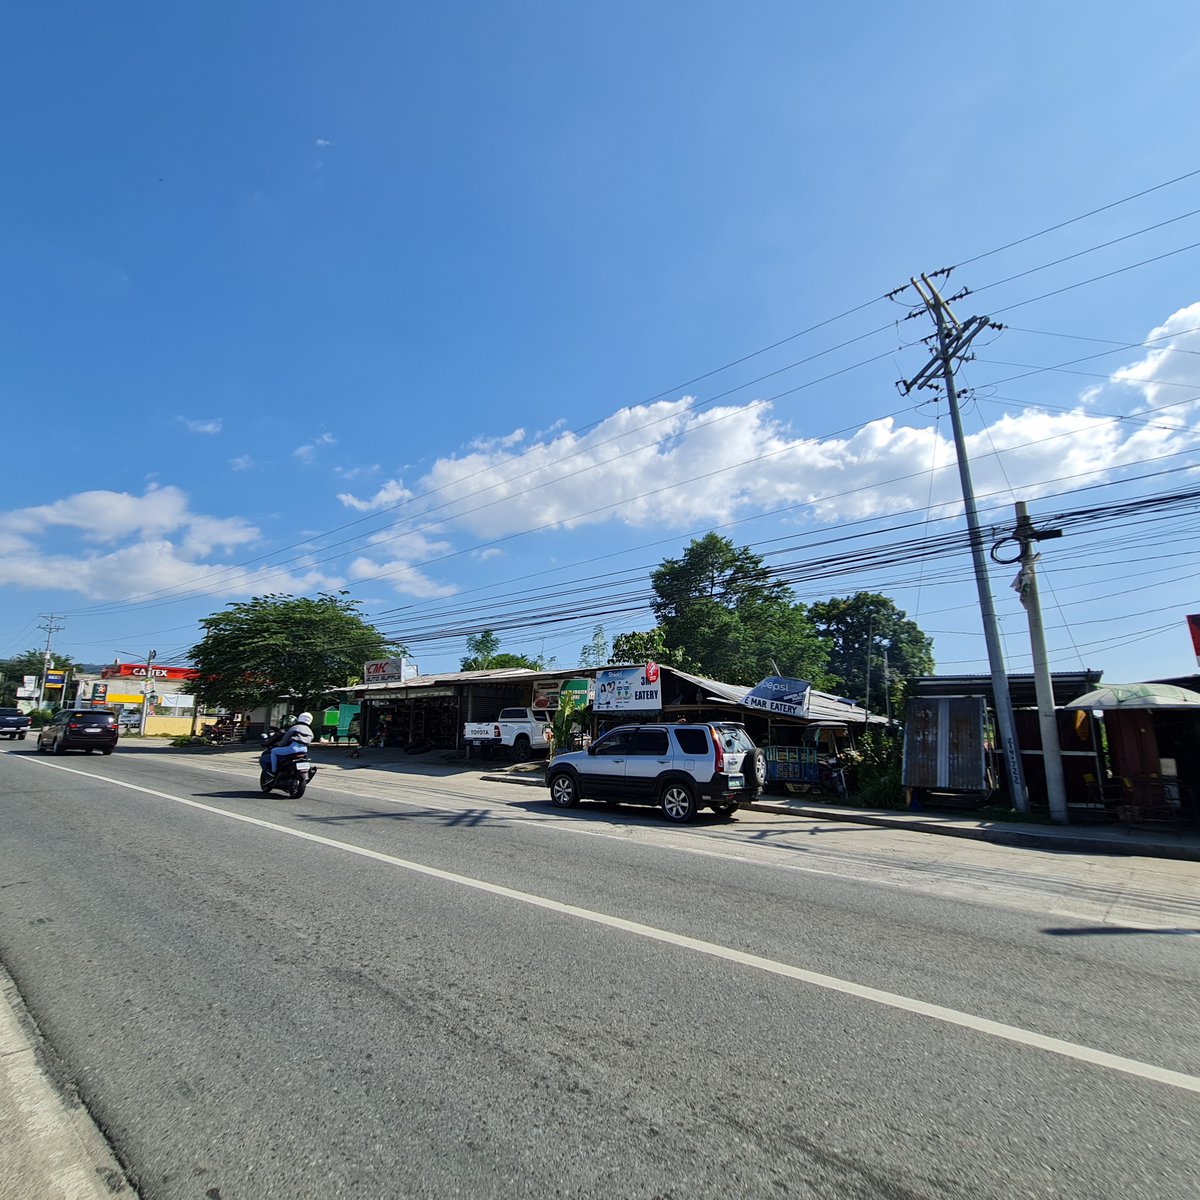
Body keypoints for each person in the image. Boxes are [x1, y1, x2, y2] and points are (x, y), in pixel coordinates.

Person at [265, 712, 314, 776]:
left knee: (274, 751)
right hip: (304, 750)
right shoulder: (310, 731)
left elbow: (284, 741)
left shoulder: (295, 727)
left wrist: (277, 745)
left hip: (293, 749)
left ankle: (273, 771)